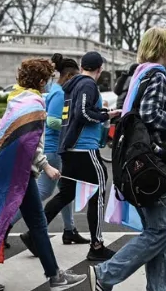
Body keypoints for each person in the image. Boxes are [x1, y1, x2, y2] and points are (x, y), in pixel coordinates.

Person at [0, 58, 86, 291]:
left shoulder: (17, 98)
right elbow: (30, 144)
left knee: (13, 220)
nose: (49, 83)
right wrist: (46, 166)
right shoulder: (35, 104)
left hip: (3, 167)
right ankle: (54, 276)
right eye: (48, 79)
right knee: (28, 222)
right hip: (20, 172)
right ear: (40, 81)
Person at [88, 28, 166, 291]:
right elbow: (149, 114)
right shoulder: (157, 75)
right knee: (160, 232)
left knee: (156, 232)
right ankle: (106, 273)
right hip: (152, 164)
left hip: (137, 163)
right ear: (162, 49)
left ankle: (159, 289)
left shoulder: (140, 73)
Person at [40, 51, 120, 261]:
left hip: (68, 148)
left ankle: (35, 234)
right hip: (83, 148)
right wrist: (106, 115)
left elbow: (78, 111)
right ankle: (97, 245)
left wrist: (99, 112)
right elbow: (82, 113)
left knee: (66, 193)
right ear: (100, 69)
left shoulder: (70, 85)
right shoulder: (87, 84)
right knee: (99, 190)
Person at [13, 55, 89, 247]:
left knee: (65, 192)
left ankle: (69, 230)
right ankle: (4, 226)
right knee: (41, 193)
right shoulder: (60, 94)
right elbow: (52, 120)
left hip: (57, 148)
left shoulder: (59, 91)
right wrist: (72, 123)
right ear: (70, 76)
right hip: (54, 149)